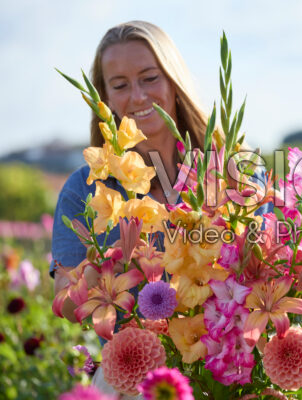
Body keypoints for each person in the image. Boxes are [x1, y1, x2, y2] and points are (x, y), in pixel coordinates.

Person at [50, 21, 230, 398]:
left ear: (174, 80)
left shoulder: (229, 174)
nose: (137, 95)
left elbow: (263, 273)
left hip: (227, 370)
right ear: (105, 100)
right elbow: (66, 304)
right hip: (132, 381)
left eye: (150, 78)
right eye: (119, 85)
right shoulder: (83, 189)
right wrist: (121, 264)